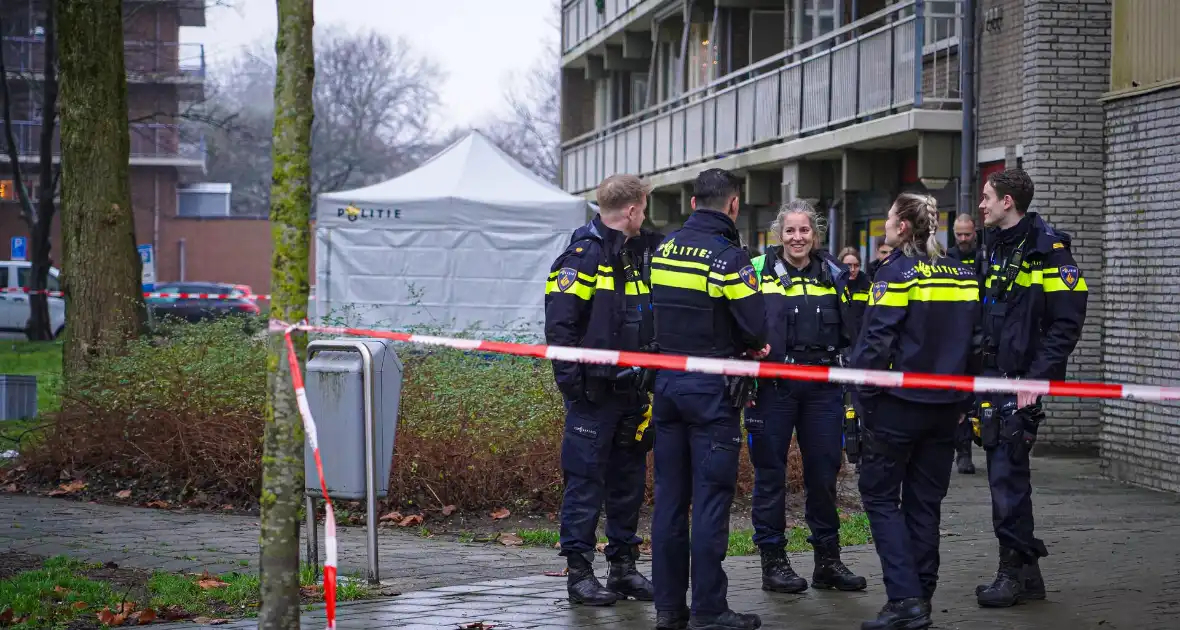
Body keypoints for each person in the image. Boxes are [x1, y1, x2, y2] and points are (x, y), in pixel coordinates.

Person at [850, 193, 981, 630]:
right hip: (946, 411)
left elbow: (876, 343)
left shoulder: (895, 273)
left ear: (903, 227)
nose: (886, 225)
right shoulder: (962, 274)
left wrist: (863, 399)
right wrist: (965, 404)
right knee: (925, 505)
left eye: (889, 218)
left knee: (881, 497)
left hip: (898, 409)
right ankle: (921, 595)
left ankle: (905, 600)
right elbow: (976, 344)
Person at [649, 168, 769, 630]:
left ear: (694, 203)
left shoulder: (663, 250)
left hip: (667, 385)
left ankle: (668, 609)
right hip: (712, 391)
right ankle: (709, 610)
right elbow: (755, 326)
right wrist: (751, 344)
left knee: (669, 501)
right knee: (711, 501)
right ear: (733, 205)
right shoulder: (728, 258)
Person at [544, 174, 659, 606]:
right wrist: (577, 389)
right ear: (631, 210)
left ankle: (623, 568)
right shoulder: (581, 258)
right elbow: (560, 329)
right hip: (594, 397)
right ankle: (578, 575)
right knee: (585, 483)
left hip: (632, 393)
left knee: (628, 481)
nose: (643, 217)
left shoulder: (632, 255)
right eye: (643, 209)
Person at [974, 168, 1087, 608]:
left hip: (1019, 384)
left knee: (1007, 480)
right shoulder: (996, 245)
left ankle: (1011, 574)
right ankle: (1028, 576)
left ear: (1008, 202)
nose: (981, 205)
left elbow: (1066, 323)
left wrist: (1036, 380)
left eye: (987, 198)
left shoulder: (1048, 250)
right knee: (1005, 478)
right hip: (992, 380)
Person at [745, 201, 867, 596]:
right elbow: (738, 322)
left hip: (822, 388)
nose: (798, 238)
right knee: (770, 477)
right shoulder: (758, 271)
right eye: (790, 231)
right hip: (774, 387)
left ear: (815, 235)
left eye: (805, 231)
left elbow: (854, 328)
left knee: (823, 475)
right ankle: (773, 562)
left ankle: (828, 561)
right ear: (778, 234)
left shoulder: (834, 273)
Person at [946, 213, 982, 475]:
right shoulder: (948, 257)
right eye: (959, 234)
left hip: (980, 330)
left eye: (967, 234)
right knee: (959, 395)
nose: (963, 239)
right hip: (956, 332)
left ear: (974, 232)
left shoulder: (984, 256)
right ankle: (963, 451)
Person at [839, 246, 870, 323]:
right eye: (848, 265)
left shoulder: (868, 286)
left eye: (856, 265)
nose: (852, 269)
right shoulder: (832, 285)